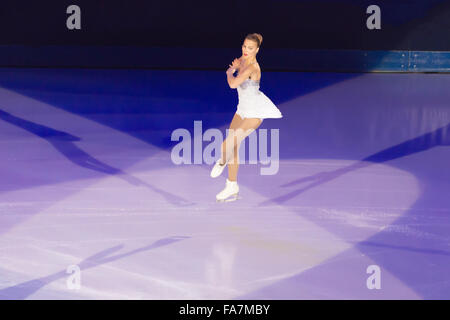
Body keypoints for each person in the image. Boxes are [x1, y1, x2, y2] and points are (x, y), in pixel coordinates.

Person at [210, 33, 283, 202]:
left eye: (250, 48)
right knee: (234, 146)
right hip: (241, 109)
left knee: (226, 145)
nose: (246, 50)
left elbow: (233, 84)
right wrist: (236, 67)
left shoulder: (252, 67)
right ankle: (232, 185)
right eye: (244, 46)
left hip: (254, 113)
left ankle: (221, 162)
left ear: (257, 50)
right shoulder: (242, 60)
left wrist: (230, 71)